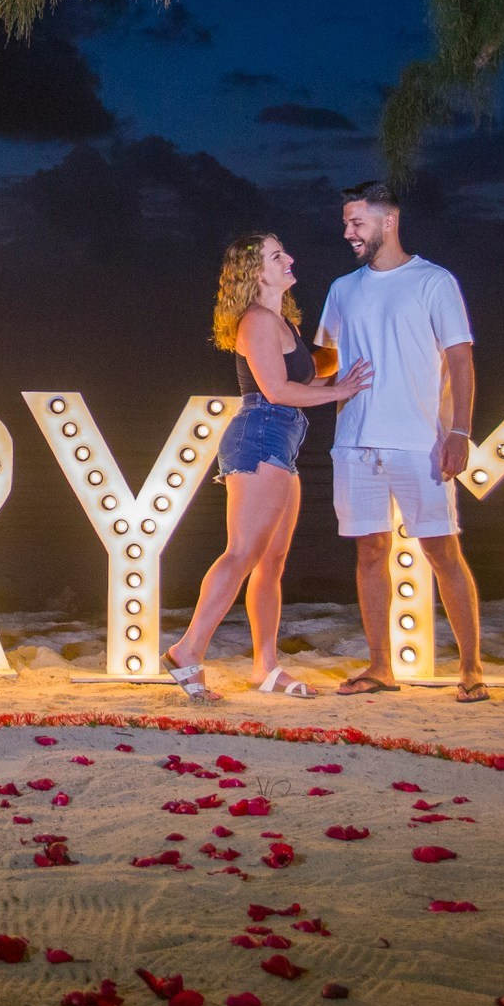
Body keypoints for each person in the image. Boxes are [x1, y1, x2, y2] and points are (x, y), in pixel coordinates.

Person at [163, 232, 370, 704]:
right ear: (256, 273)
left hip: (283, 440)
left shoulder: (282, 323)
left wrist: (354, 347)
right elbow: (276, 391)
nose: (290, 258)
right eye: (278, 256)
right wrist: (343, 390)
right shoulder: (256, 321)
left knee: (270, 563)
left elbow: (311, 375)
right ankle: (186, 649)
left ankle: (266, 668)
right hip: (260, 435)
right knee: (241, 553)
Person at [314, 182, 487, 700]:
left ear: (388, 222)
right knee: (370, 552)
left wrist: (460, 430)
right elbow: (325, 359)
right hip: (354, 440)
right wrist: (275, 356)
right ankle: (380, 667)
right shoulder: (343, 288)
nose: (348, 232)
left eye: (357, 223)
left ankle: (472, 669)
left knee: (442, 550)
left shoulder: (433, 281)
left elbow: (460, 360)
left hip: (418, 441)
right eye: (346, 223)